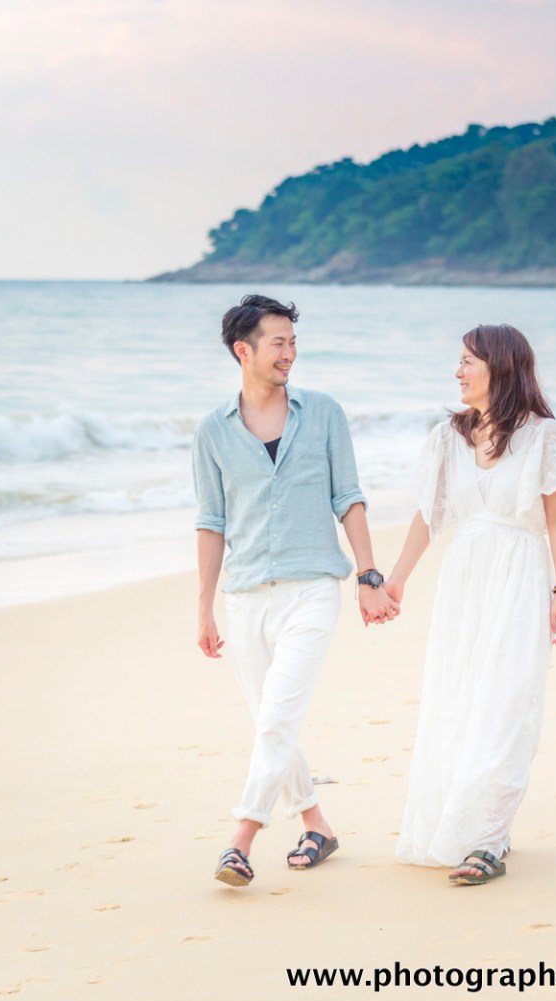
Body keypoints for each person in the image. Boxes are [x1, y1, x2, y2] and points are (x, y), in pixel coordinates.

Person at [192, 294, 399, 888]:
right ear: (243, 350)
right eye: (278, 342)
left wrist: (368, 576)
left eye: (293, 342)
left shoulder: (324, 413)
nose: (290, 353)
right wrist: (204, 606)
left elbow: (348, 497)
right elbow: (211, 522)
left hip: (312, 588)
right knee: (271, 724)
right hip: (247, 594)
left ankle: (242, 838)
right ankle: (317, 825)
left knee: (279, 714)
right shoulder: (212, 431)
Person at [385, 324, 556, 885]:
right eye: (458, 361)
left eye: (468, 361)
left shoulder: (544, 437)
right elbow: (430, 514)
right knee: (460, 698)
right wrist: (397, 579)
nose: (458, 371)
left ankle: (490, 840)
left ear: (501, 366)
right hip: (465, 576)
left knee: (508, 700)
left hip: (520, 570)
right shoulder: (449, 436)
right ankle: (472, 825)